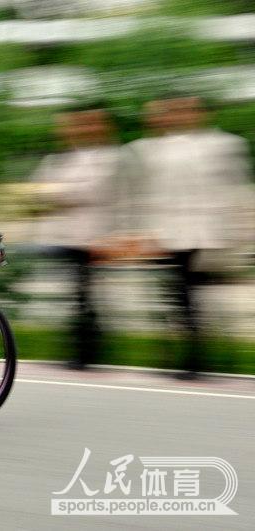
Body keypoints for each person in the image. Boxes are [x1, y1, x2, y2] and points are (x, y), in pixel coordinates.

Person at [115, 95, 255, 377]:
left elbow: (237, 190)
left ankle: (194, 360)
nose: (178, 116)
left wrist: (239, 233)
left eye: (186, 110)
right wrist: (136, 233)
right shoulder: (148, 148)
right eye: (173, 111)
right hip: (165, 236)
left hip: (204, 235)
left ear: (201, 112)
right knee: (175, 298)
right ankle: (179, 357)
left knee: (188, 297)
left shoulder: (223, 145)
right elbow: (140, 195)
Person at [30, 106, 121, 369]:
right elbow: (36, 192)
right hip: (67, 238)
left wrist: (56, 193)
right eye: (74, 125)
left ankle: (88, 354)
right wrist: (56, 194)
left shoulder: (110, 158)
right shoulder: (58, 159)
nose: (79, 130)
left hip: (95, 238)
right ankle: (78, 352)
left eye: (87, 124)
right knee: (77, 297)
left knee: (88, 297)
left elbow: (89, 191)